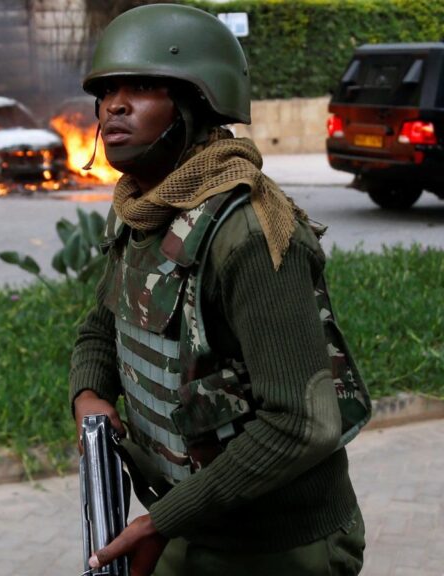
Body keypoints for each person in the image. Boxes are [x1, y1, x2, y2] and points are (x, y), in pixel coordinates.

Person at [69, 4, 368, 575]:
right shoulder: (142, 206)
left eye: (145, 85)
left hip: (277, 548)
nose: (115, 105)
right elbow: (102, 325)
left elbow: (300, 423)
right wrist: (90, 398)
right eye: (107, 90)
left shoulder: (248, 231)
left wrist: (159, 524)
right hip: (190, 523)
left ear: (196, 103)